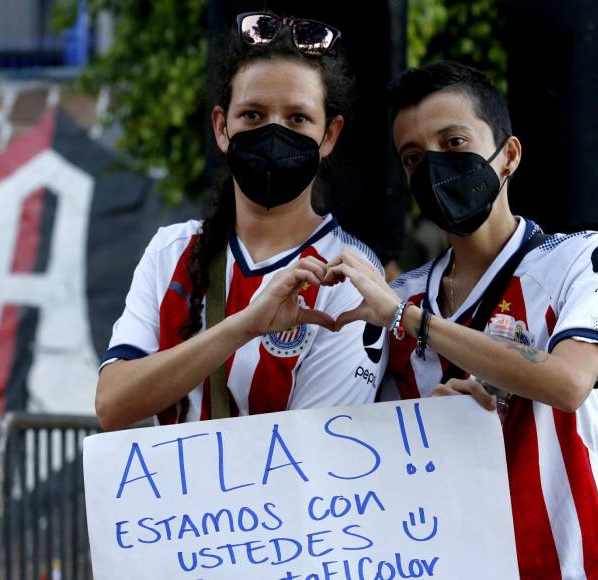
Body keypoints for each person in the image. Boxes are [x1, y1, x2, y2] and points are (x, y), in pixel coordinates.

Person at [326, 61, 598, 579]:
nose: (435, 169)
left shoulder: (582, 258)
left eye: (455, 144)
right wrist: (427, 430)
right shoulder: (396, 297)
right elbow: (367, 464)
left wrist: (412, 320)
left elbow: (569, 382)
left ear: (508, 155)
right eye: (414, 158)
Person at [95, 12, 387, 431]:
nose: (273, 132)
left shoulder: (350, 276)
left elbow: (317, 455)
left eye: (297, 119)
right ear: (221, 126)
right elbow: (112, 404)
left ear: (329, 136)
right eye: (252, 114)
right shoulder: (171, 251)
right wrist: (244, 327)